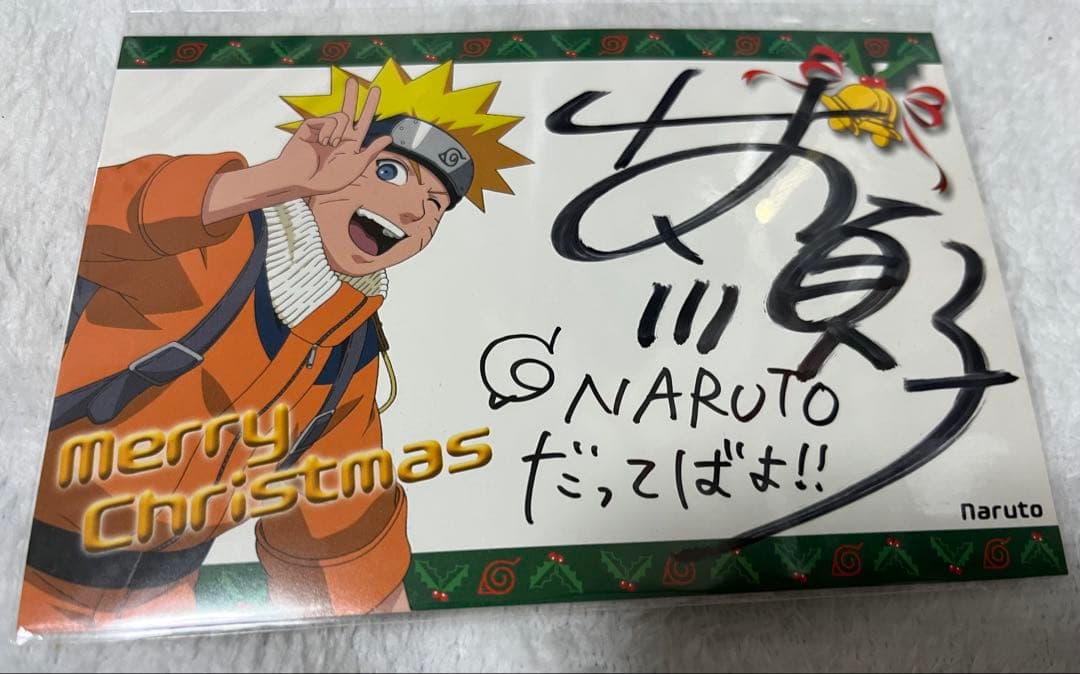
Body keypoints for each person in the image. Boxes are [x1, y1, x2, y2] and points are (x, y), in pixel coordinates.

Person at [19, 59, 529, 632]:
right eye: (389, 172)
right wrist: (272, 181)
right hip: (25, 563)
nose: (413, 210)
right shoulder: (214, 240)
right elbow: (75, 217)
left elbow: (341, 530)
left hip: (160, 609)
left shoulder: (346, 354)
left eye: (435, 207)